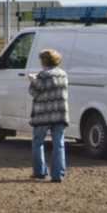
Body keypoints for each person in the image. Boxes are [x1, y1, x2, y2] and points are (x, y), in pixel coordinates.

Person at [29, 48, 70, 182]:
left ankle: (40, 171)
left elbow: (34, 92)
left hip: (43, 115)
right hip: (59, 113)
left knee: (38, 142)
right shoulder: (63, 75)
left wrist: (32, 80)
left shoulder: (42, 75)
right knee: (59, 144)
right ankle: (58, 174)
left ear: (44, 61)